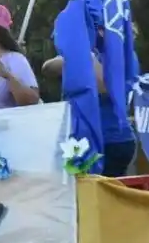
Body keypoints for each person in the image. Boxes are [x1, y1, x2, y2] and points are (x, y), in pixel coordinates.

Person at [42, 30, 136, 177]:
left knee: (99, 195)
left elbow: (105, 87)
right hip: (87, 140)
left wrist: (85, 56)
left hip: (108, 140)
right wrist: (75, 56)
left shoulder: (116, 54)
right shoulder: (86, 55)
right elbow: (48, 68)